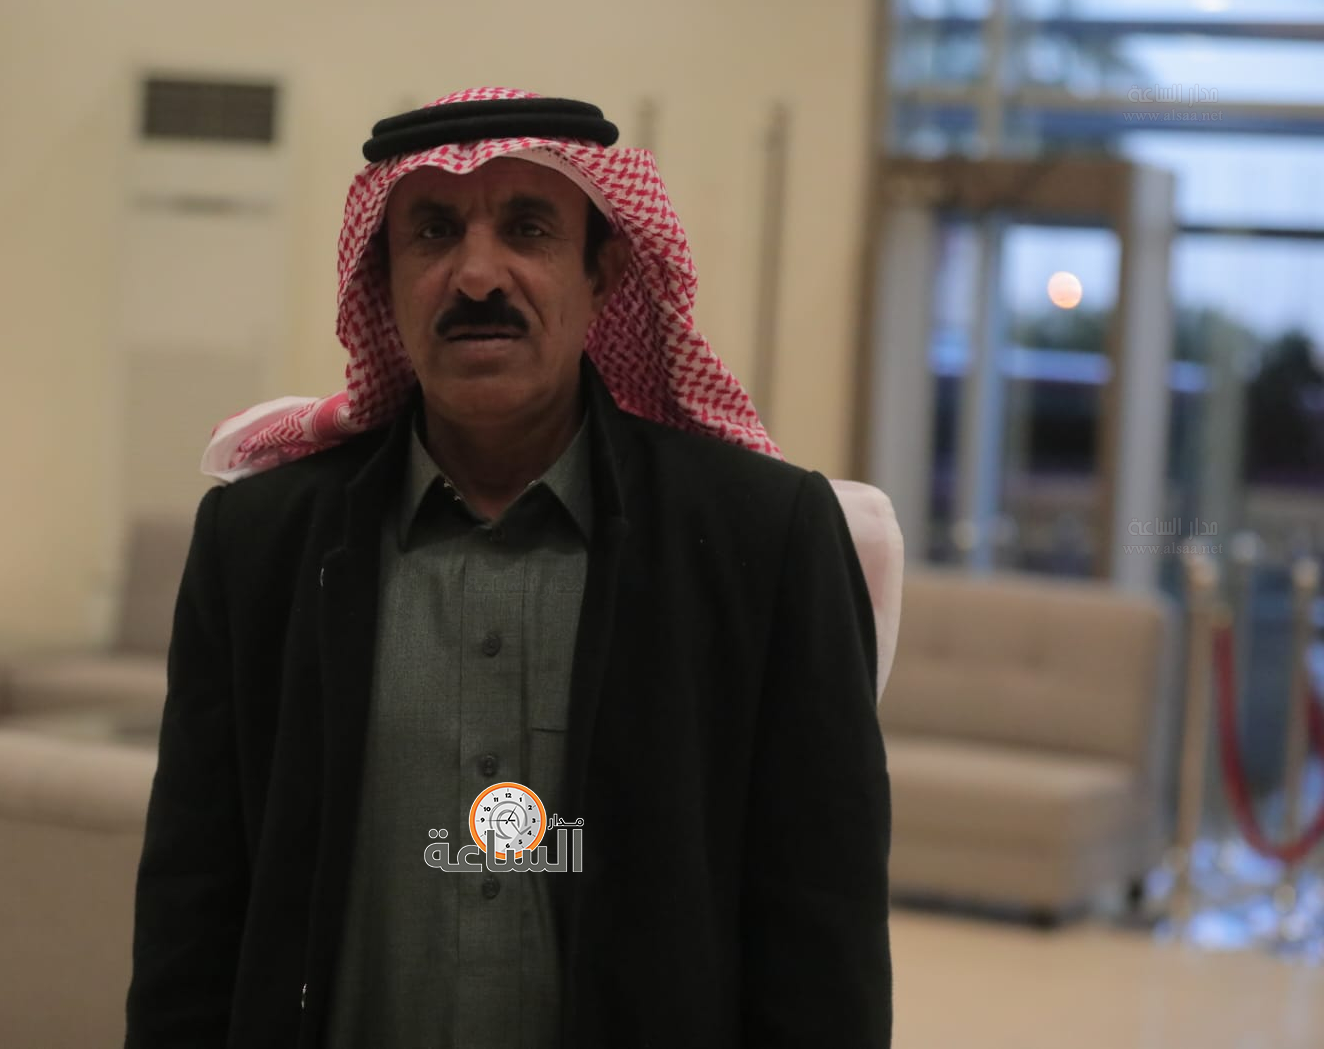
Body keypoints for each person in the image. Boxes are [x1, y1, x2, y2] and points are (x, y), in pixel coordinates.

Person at [125, 87, 891, 1049]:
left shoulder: (765, 541)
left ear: (604, 273)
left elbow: (822, 933)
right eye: (434, 233)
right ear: (384, 280)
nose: (478, 276)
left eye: (528, 229)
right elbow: (192, 908)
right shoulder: (258, 544)